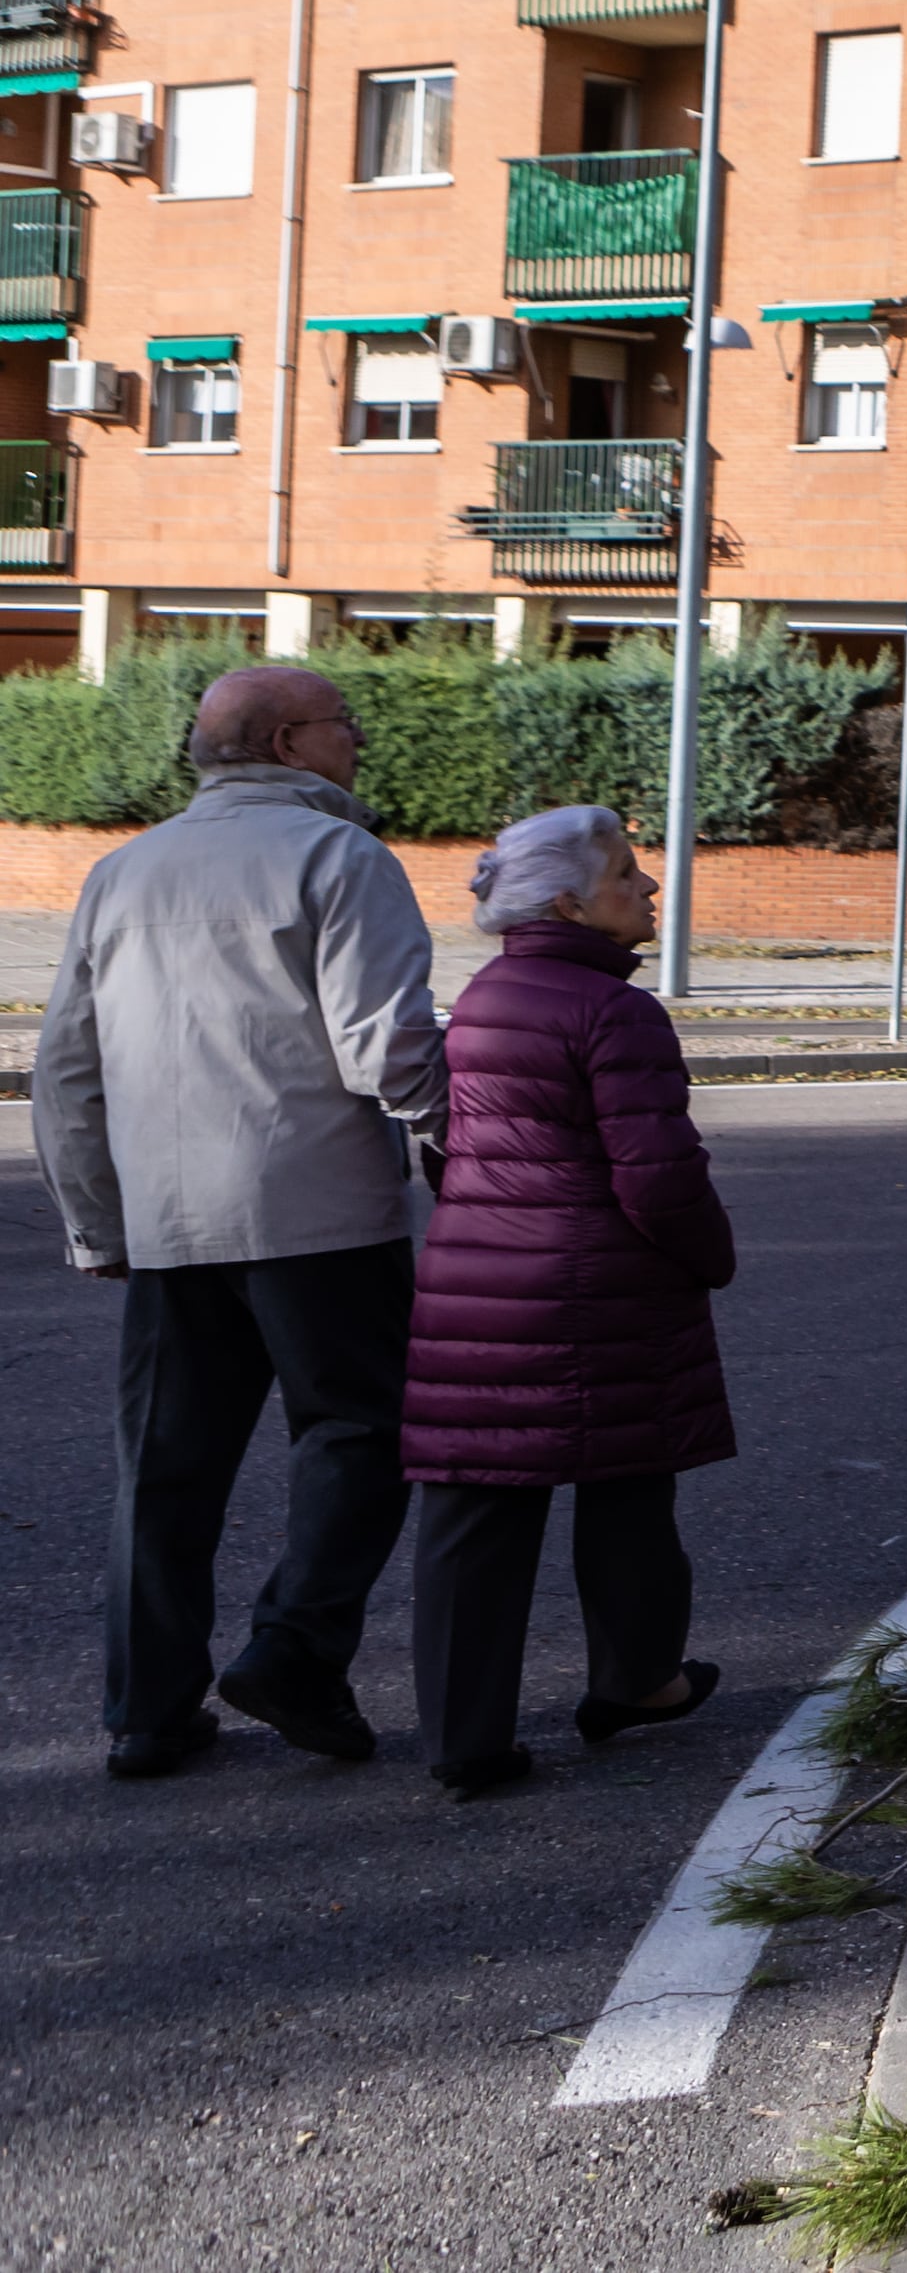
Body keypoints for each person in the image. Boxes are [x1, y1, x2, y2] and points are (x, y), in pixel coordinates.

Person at [36, 663, 450, 1778]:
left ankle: (146, 1712)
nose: (358, 740)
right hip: (320, 1213)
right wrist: (451, 1139)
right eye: (342, 724)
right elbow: (384, 1043)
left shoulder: (122, 872)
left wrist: (97, 1224)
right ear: (283, 743)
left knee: (164, 1472)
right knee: (361, 1435)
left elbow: (66, 1068)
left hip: (171, 1224)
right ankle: (295, 1648)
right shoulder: (340, 856)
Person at [400, 806, 735, 1797]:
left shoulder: (486, 995)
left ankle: (464, 1737)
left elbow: (448, 1144)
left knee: (473, 1507)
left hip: (474, 1282)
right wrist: (710, 1256)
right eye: (628, 875)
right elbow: (657, 1178)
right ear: (570, 903)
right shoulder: (617, 1013)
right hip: (598, 1288)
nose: (649, 889)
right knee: (628, 1487)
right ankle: (636, 1679)